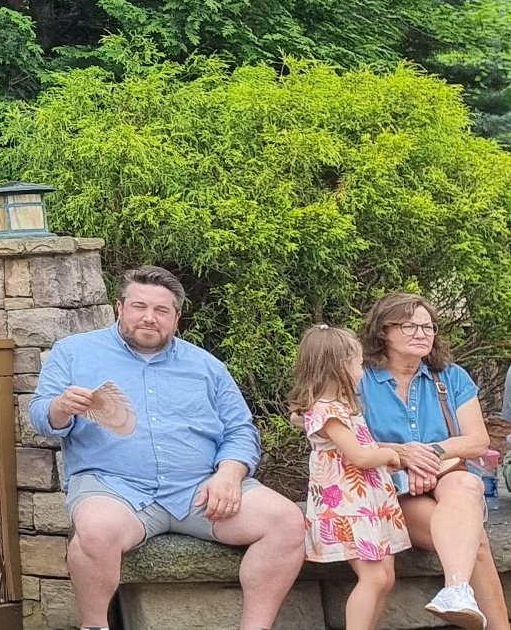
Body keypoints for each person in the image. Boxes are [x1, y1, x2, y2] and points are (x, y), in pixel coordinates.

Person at [29, 264, 306, 630]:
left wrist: (228, 474)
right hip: (114, 487)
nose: (149, 318)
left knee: (287, 522)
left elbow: (241, 430)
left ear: (176, 317)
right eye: (139, 306)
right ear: (120, 307)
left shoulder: (207, 366)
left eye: (161, 311)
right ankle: (94, 625)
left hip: (199, 488)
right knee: (95, 531)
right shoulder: (74, 353)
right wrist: (61, 406)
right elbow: (40, 416)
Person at [357, 291, 501, 630]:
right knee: (473, 539)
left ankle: (455, 590)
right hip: (392, 490)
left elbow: (477, 440)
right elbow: (335, 433)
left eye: (428, 326)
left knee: (467, 481)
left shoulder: (450, 376)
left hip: (447, 475)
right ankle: (474, 606)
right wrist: (403, 456)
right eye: (409, 326)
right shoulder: (360, 379)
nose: (422, 333)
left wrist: (431, 454)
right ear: (383, 332)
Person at [290, 325, 413, 630]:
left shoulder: (340, 407)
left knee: (385, 578)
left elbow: (305, 422)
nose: (362, 369)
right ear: (339, 366)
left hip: (369, 503)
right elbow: (359, 456)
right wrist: (392, 456)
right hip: (349, 506)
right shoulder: (328, 411)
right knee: (373, 578)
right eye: (357, 362)